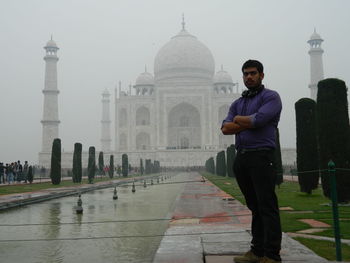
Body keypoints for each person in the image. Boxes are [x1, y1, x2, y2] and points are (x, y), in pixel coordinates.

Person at [221, 60, 282, 263]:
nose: (249, 77)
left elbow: (260, 120)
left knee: (267, 206)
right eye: (246, 74)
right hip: (242, 158)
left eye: (253, 73)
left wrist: (238, 120)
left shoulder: (271, 97)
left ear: (261, 75)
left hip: (261, 156)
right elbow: (225, 129)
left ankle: (271, 255)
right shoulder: (238, 103)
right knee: (255, 206)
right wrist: (245, 121)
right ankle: (257, 251)